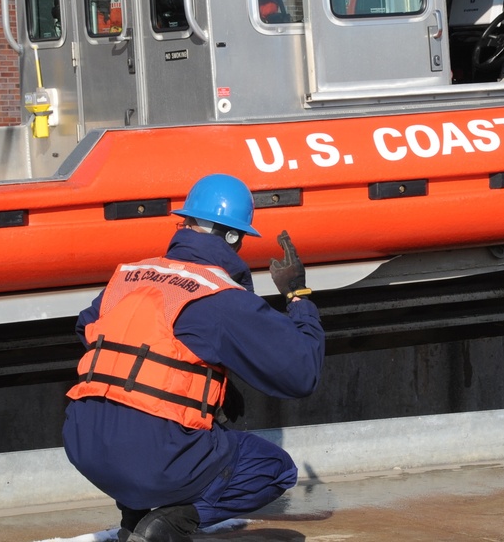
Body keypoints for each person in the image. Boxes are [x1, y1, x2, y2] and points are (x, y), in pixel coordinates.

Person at [63, 173, 324, 542]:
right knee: (273, 468)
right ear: (233, 237)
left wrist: (206, 381)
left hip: (84, 444)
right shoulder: (221, 297)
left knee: (156, 433)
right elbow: (301, 373)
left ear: (184, 223)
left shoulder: (130, 276)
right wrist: (298, 294)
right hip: (151, 457)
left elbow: (90, 330)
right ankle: (168, 525)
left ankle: (136, 515)